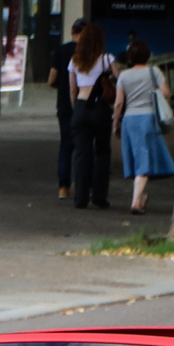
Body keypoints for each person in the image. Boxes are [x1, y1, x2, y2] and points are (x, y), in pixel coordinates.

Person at [112, 37, 174, 215]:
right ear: (147, 56)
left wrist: (116, 123)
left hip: (129, 120)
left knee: (137, 160)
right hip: (147, 119)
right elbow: (165, 92)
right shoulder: (153, 72)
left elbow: (118, 103)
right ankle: (135, 202)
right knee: (144, 162)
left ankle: (141, 198)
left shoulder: (123, 75)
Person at [68, 23, 116, 209]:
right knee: (102, 152)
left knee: (81, 153)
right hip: (100, 108)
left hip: (81, 106)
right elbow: (119, 80)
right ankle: (99, 196)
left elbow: (72, 89)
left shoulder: (75, 60)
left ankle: (80, 197)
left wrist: (76, 108)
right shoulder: (106, 59)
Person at [50, 18, 86, 197]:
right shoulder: (90, 53)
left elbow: (51, 79)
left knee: (66, 145)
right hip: (86, 104)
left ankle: (64, 187)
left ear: (73, 31)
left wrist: (60, 86)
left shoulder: (61, 51)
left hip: (64, 104)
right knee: (86, 146)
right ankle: (87, 184)